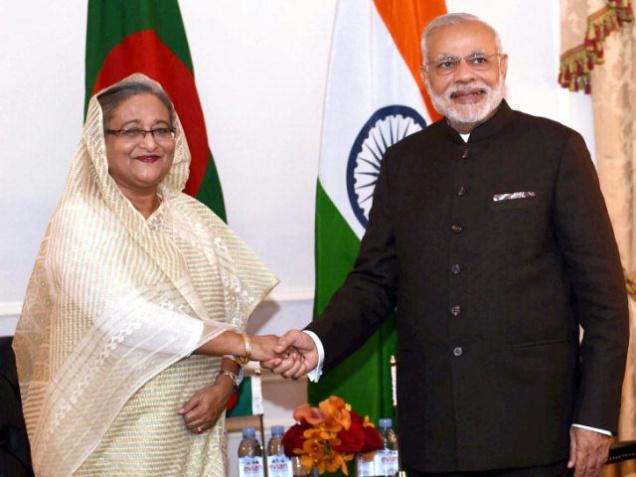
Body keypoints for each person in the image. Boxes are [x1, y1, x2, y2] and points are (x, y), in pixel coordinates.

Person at [266, 13, 630, 477]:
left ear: (502, 66)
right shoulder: (403, 162)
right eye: (446, 64)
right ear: (425, 76)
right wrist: (318, 341)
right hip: (433, 435)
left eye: (478, 60)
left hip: (536, 432)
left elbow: (605, 304)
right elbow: (374, 282)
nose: (464, 76)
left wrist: (594, 418)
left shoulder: (556, 149)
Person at [12, 74, 281, 477]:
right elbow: (126, 318)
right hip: (110, 448)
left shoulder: (193, 220)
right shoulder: (80, 221)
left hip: (193, 442)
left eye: (161, 130)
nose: (150, 143)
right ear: (100, 142)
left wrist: (226, 380)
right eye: (131, 131)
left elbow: (233, 311)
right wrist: (248, 344)